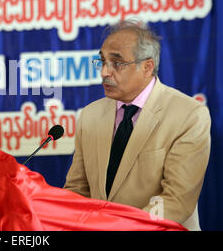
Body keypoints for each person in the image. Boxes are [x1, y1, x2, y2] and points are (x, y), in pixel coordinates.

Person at [64, 19, 211, 231]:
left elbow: (176, 201)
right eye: (102, 61)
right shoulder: (90, 115)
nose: (105, 72)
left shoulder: (189, 115)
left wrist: (114, 227)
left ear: (147, 66)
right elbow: (77, 190)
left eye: (117, 63)